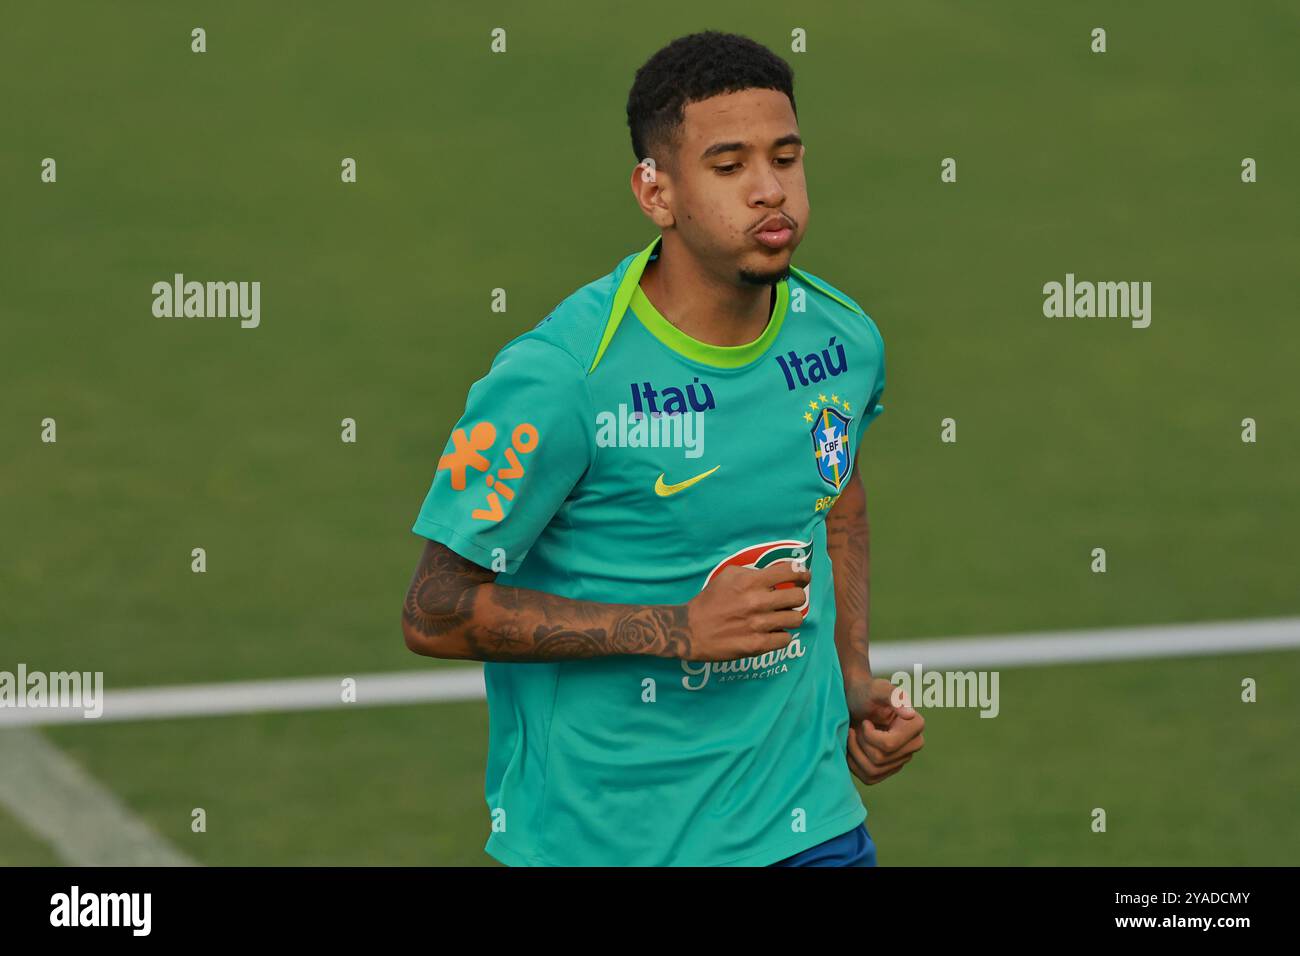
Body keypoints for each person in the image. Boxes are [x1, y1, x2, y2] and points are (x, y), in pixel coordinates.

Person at [402, 30, 924, 867]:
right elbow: (433, 610)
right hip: (603, 845)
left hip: (809, 827)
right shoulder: (560, 378)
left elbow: (835, 498)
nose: (769, 191)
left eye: (785, 158)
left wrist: (851, 672)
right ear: (657, 191)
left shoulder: (843, 340)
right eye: (729, 167)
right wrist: (674, 628)